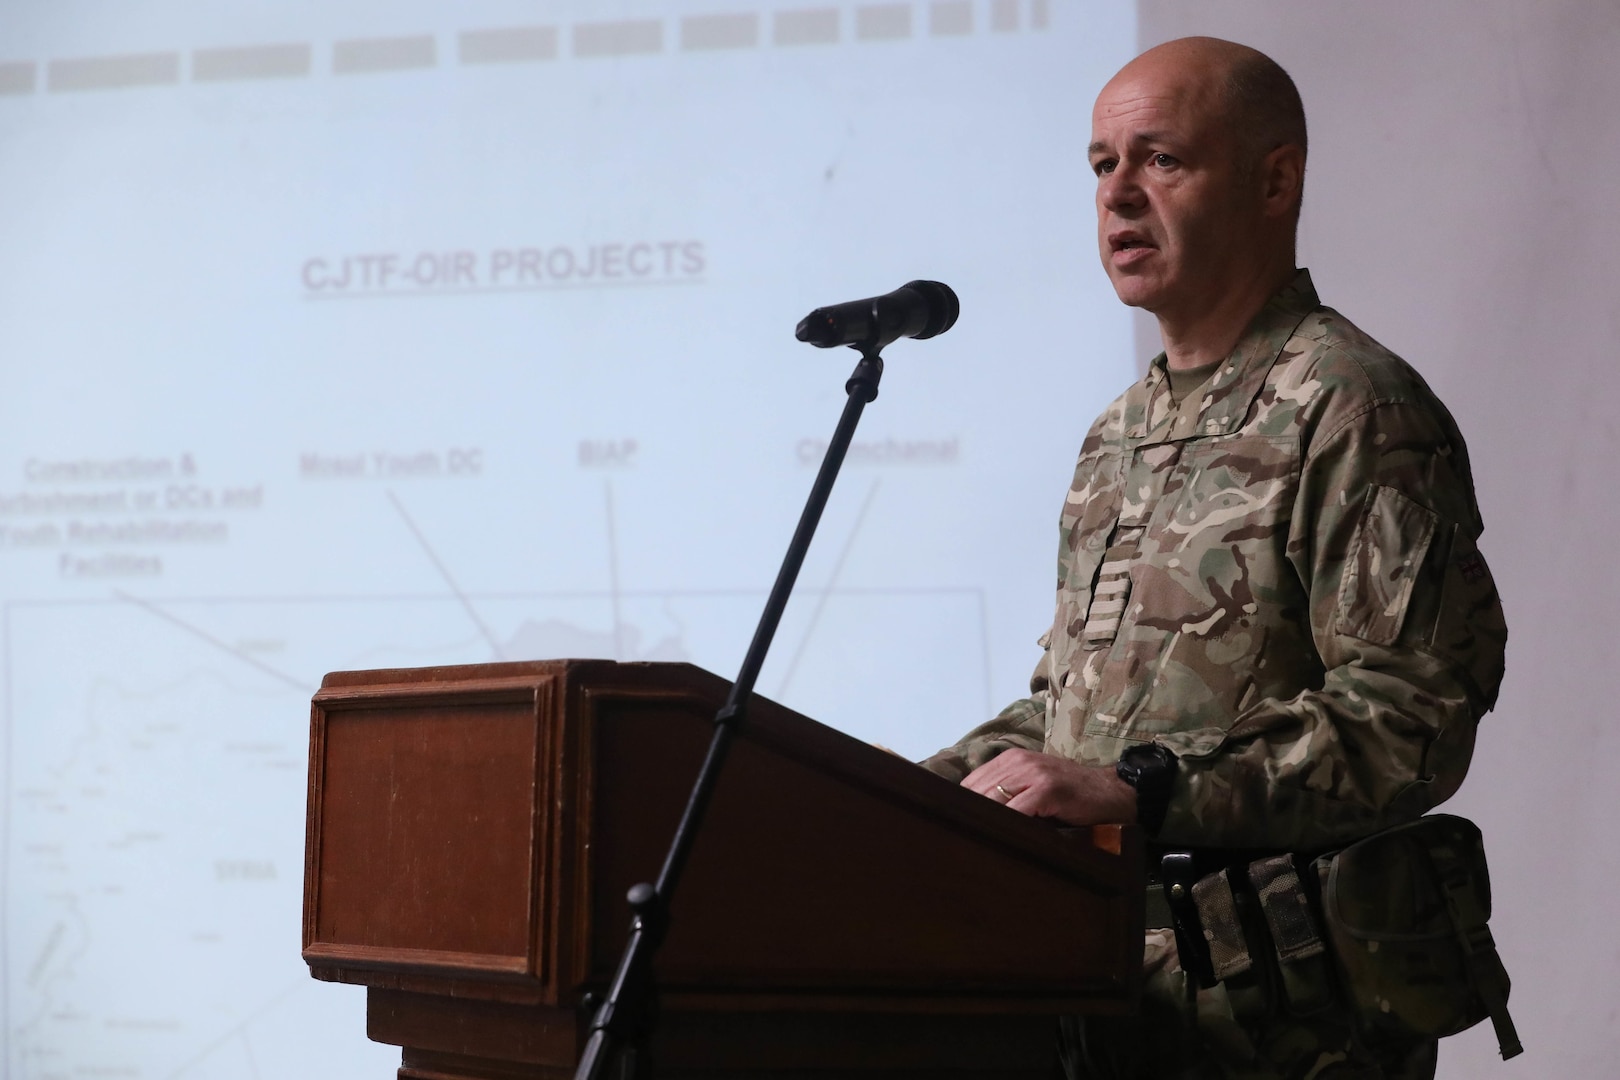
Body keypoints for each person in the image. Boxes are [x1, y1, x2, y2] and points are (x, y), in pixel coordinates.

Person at [920, 36, 1507, 1080]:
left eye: (1163, 160)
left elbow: (1410, 718)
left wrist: (1143, 790)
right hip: (1106, 1003)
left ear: (1275, 180)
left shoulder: (1351, 404)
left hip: (1286, 1031)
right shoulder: (1121, 431)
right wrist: (899, 794)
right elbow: (1069, 717)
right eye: (1103, 165)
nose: (1120, 197)